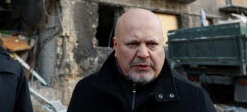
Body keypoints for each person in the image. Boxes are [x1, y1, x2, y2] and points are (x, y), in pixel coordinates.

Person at [67, 8, 216, 112]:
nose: (143, 54)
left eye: (152, 44)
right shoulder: (86, 92)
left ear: (162, 45)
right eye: (132, 44)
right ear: (116, 46)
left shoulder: (195, 99)